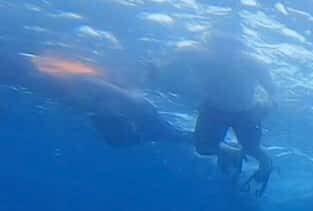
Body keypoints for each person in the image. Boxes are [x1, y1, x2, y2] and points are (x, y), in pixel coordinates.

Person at [149, 30, 276, 196]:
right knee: (204, 147)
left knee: (251, 148)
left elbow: (272, 92)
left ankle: (264, 164)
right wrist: (156, 70)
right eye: (221, 46)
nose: (227, 52)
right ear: (208, 44)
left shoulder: (252, 63)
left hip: (245, 111)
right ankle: (234, 153)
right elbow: (167, 65)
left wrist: (266, 106)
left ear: (240, 48)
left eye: (232, 47)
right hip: (217, 109)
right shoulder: (193, 53)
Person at [0, 51, 191, 147]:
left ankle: (212, 144)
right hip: (124, 108)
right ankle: (210, 144)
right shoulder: (46, 76)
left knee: (166, 135)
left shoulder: (49, 78)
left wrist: (109, 119)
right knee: (167, 136)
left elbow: (100, 98)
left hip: (130, 109)